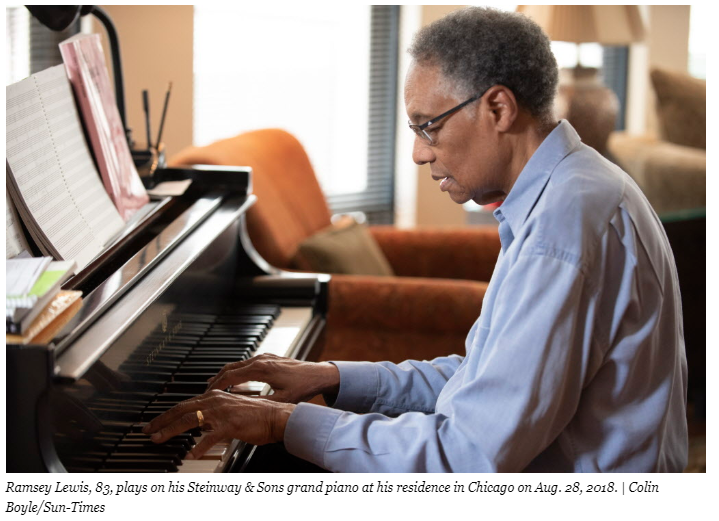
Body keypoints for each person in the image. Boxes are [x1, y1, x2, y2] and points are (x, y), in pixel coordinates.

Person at [144, 7, 688, 472]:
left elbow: (467, 456)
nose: (418, 153)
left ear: (498, 108)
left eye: (429, 126)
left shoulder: (562, 228)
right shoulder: (570, 189)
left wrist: (284, 421)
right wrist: (332, 377)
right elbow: (484, 380)